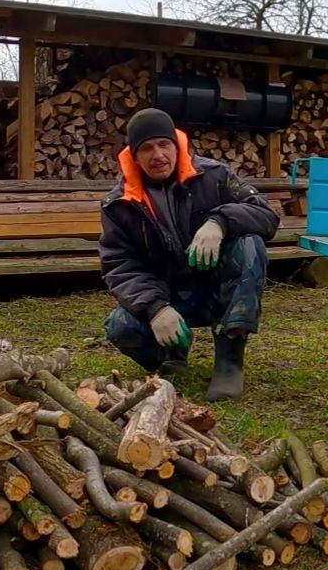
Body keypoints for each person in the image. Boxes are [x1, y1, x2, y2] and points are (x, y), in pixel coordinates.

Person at [99, 108, 280, 401]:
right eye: (146, 148)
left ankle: (230, 358)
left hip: (216, 290)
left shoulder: (215, 175)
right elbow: (119, 264)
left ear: (177, 144)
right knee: (120, 327)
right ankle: (171, 353)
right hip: (168, 297)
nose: (157, 154)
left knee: (250, 244)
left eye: (163, 144)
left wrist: (220, 221)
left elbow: (266, 215)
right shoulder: (118, 204)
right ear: (133, 156)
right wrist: (155, 308)